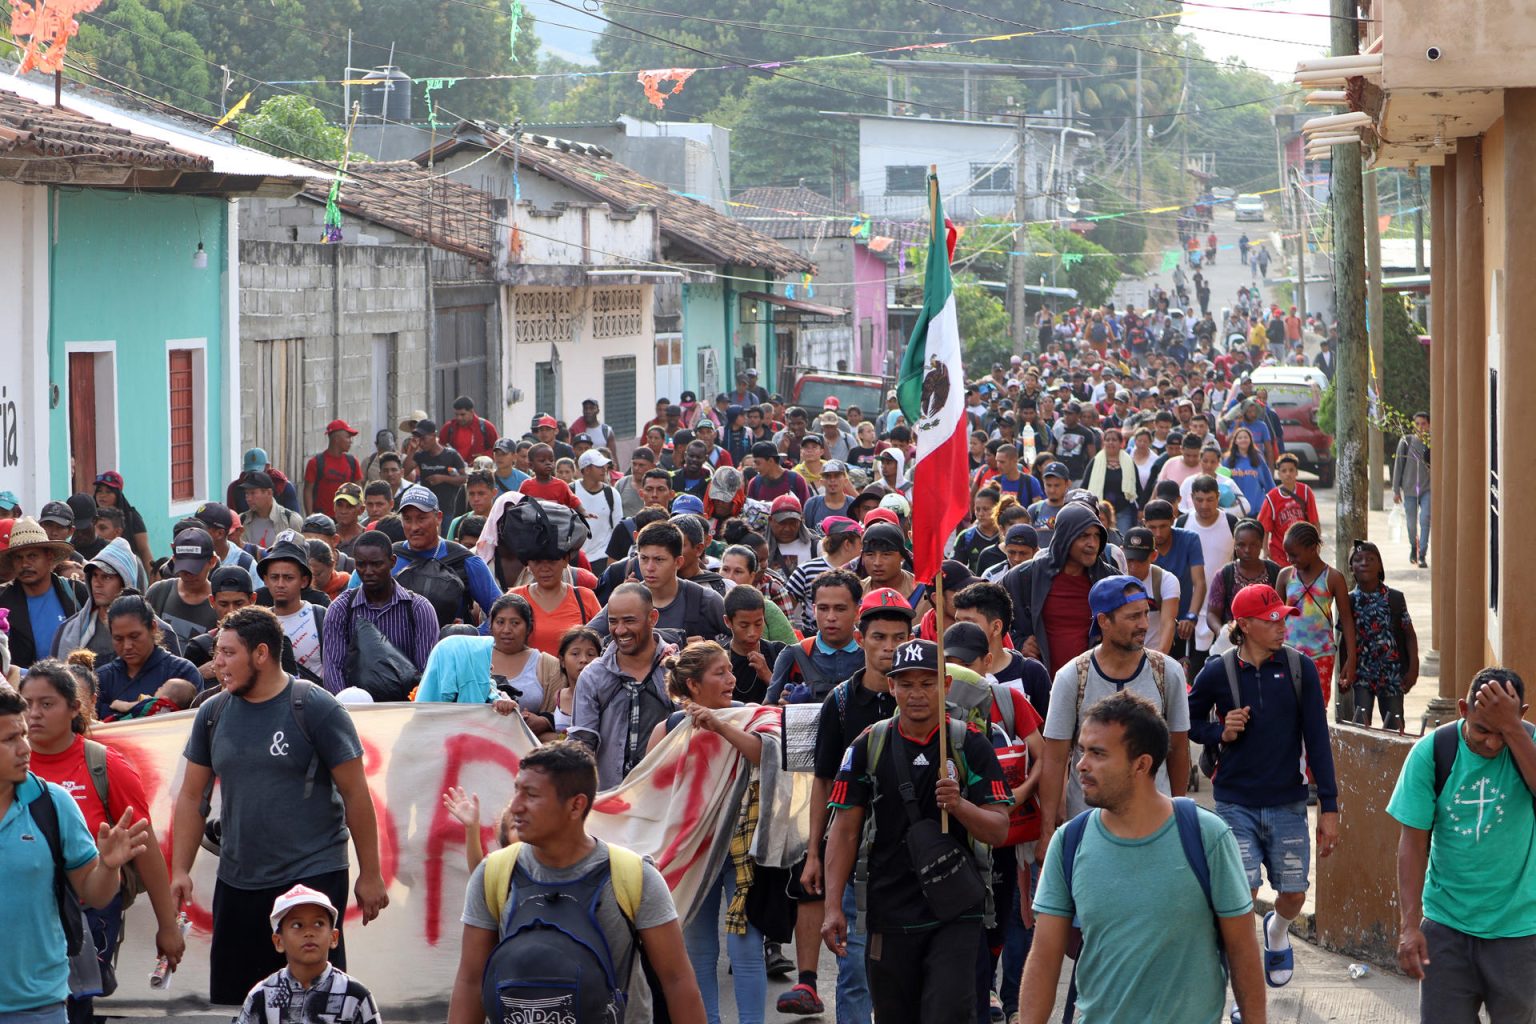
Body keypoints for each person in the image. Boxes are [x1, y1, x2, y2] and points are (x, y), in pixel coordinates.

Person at [170, 606, 388, 1005]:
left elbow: (357, 794)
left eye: (228, 653)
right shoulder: (211, 713)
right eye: (216, 653)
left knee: (313, 1003)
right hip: (238, 879)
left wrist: (370, 874)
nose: (217, 664)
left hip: (312, 876)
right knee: (238, 1003)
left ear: (261, 654)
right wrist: (179, 869)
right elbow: (190, 797)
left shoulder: (315, 707)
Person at [1018, 691, 1264, 1024]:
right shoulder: (1070, 842)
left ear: (1142, 764)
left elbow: (1243, 951)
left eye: (1098, 754)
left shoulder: (1207, 836)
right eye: (1082, 751)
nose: (1081, 765)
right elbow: (1045, 957)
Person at [821, 637, 1011, 1024]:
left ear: (945, 686)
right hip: (888, 912)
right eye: (906, 684)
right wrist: (831, 908)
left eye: (927, 683)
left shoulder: (969, 744)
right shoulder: (867, 745)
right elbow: (843, 831)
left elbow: (998, 830)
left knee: (949, 1014)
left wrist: (959, 805)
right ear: (891, 686)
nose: (917, 694)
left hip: (955, 911)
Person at [448, 742, 706, 1024]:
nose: (516, 806)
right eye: (516, 790)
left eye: (531, 795)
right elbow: (471, 980)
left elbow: (677, 980)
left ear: (576, 805)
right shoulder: (493, 873)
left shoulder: (633, 876)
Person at [1187, 581, 1339, 1000]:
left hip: (1288, 802)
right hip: (1234, 804)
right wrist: (1221, 730)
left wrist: (1329, 806)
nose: (1281, 627)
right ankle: (1244, 996)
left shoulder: (1298, 668)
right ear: (1245, 625)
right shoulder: (1218, 672)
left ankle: (1278, 929)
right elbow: (1187, 720)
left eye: (1283, 618)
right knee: (1242, 897)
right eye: (1272, 620)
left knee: (1292, 894)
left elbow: (1317, 739)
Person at [20, 661, 187, 1022]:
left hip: (90, 914)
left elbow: (146, 851)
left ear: (74, 707)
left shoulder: (104, 765)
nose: (34, 714)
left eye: (46, 704)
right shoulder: (11, 764)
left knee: (76, 1009)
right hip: (22, 921)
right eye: (27, 703)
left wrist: (168, 926)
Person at [1389, 667, 1536, 1023]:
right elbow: (1412, 845)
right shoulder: (1433, 753)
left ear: (1523, 715)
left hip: (1519, 934)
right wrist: (1409, 926)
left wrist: (1512, 729)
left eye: (1502, 732)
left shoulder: (1526, 746)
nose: (1491, 743)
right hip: (1446, 929)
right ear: (1463, 710)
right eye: (1482, 729)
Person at [0, 686, 151, 1024]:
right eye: (10, 739)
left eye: (23, 734)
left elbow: (94, 893)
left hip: (39, 1005)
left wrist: (109, 866)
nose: (25, 748)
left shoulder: (51, 803)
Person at [643, 641, 773, 1024]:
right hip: (692, 852)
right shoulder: (668, 728)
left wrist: (718, 724)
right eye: (720, 673)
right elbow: (650, 791)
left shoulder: (752, 716)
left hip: (742, 849)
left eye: (730, 671)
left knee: (746, 949)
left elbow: (765, 755)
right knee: (697, 950)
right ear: (693, 686)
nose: (732, 679)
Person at [1037, 575, 1190, 856]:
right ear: (1104, 621)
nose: (1144, 624)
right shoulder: (1071, 677)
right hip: (1088, 824)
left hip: (1156, 823)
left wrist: (1179, 815)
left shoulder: (1167, 672)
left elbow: (1179, 749)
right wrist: (1048, 832)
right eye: (1133, 617)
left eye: (1146, 614)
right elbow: (1055, 757)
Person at [569, 583, 674, 789]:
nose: (620, 630)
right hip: (609, 799)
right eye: (613, 621)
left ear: (653, 618)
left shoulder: (674, 670)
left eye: (629, 621)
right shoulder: (593, 675)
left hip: (663, 797)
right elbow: (582, 741)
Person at [355, 486, 502, 629]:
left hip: (445, 652)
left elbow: (503, 612)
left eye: (421, 518)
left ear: (438, 518)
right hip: (392, 651)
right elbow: (355, 610)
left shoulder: (464, 560)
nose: (414, 527)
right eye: (407, 519)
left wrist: (469, 636)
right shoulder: (386, 559)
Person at [236, 885, 380, 1024]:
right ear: (279, 941)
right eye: (297, 925)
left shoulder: (354, 996)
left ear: (334, 937)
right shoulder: (262, 996)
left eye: (318, 924)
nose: (309, 932)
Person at [1003, 502, 1117, 675]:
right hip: (1042, 688)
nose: (1092, 543)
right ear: (1065, 537)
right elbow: (992, 622)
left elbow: (1130, 628)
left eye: (1096, 536)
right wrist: (1019, 643)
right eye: (1084, 536)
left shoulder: (1111, 580)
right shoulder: (1024, 576)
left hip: (1097, 685)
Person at [320, 529, 438, 694]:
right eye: (361, 565)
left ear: (392, 562)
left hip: (406, 709)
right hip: (357, 711)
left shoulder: (419, 608)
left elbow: (427, 673)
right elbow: (333, 670)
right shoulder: (340, 609)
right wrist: (349, 709)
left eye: (376, 564)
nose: (368, 571)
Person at [588, 522, 726, 643]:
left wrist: (708, 648)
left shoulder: (706, 600)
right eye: (644, 558)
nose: (649, 568)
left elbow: (740, 639)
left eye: (659, 560)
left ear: (678, 562)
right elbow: (586, 638)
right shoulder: (625, 599)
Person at [1275, 522, 1355, 711]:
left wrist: (1351, 659)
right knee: (1286, 707)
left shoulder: (1333, 578)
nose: (1290, 559)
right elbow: (1275, 617)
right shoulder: (1285, 576)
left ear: (1312, 549)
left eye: (1294, 555)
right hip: (1287, 652)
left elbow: (1347, 621)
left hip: (1321, 655)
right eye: (1287, 554)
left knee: (1316, 708)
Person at [1345, 541, 1418, 728]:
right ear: (1351, 568)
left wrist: (1413, 668)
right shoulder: (1349, 601)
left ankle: (1395, 758)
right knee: (1361, 726)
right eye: (1358, 559)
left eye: (1370, 559)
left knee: (1394, 727)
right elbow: (1344, 637)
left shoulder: (1394, 598)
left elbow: (1409, 634)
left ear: (1380, 566)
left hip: (1392, 675)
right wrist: (1344, 672)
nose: (1364, 563)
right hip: (1362, 675)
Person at [765, 570, 865, 706]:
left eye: (840, 609)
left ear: (857, 612)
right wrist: (784, 709)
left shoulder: (872, 654)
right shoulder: (794, 654)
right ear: (814, 610)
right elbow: (768, 708)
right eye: (823, 608)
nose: (831, 617)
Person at [93, 596, 200, 720]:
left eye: (134, 636)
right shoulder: (102, 678)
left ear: (153, 627)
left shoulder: (182, 673)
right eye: (118, 639)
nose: (127, 646)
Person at [0, 516, 88, 667]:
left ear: (49, 557)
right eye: (18, 558)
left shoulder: (75, 592)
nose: (25, 564)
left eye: (32, 556)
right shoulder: (3, 603)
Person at [1141, 499, 1206, 670]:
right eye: (1152, 527)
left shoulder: (1190, 540)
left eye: (1163, 526)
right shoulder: (1140, 543)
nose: (1158, 533)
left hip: (1182, 624)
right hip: (1148, 626)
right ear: (1144, 524)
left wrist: (1191, 616)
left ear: (1173, 520)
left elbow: (1199, 582)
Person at [259, 536, 329, 686]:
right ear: (265, 580)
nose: (280, 584)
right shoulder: (259, 623)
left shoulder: (321, 616)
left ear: (303, 581)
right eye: (274, 577)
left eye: (288, 578)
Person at [145, 526, 221, 647]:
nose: (188, 575)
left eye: (195, 568)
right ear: (174, 560)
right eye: (184, 568)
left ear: (212, 561)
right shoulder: (158, 592)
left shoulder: (221, 603)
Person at [512, 554, 599, 656]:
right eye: (537, 562)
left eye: (552, 560)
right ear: (528, 564)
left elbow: (603, 639)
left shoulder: (585, 597)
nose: (545, 569)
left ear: (565, 560)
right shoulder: (515, 598)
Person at [1256, 454, 1318, 566]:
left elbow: (1314, 522)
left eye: (1291, 470)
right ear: (1278, 474)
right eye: (1284, 471)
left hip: (1303, 550)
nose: (1288, 474)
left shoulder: (1305, 492)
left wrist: (1317, 546)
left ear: (1297, 472)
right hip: (1279, 552)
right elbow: (1264, 528)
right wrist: (1265, 551)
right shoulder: (1272, 497)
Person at [92, 471, 156, 578]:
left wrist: (152, 580)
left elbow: (144, 552)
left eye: (108, 492)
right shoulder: (90, 517)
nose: (102, 495)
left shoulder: (132, 518)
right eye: (99, 491)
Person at [405, 419, 469, 520]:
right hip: (428, 510)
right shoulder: (420, 455)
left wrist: (443, 478)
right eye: (419, 439)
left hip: (448, 510)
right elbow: (404, 472)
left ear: (434, 436)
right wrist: (412, 450)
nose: (421, 443)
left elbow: (465, 478)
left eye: (424, 438)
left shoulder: (451, 455)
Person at [573, 450, 623, 574]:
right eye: (599, 466)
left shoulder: (612, 494)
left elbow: (617, 528)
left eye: (605, 466)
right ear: (587, 469)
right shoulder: (570, 491)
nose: (604, 469)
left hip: (603, 558)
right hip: (575, 559)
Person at [1082, 428, 1139, 535]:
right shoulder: (1095, 461)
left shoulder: (1129, 462)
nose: (1110, 442)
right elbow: (1084, 485)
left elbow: (1138, 487)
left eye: (1114, 440)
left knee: (1123, 540)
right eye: (1107, 440)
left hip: (1123, 511)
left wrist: (1142, 508)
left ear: (1121, 443)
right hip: (1099, 511)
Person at [303, 420, 364, 518]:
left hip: (347, 518)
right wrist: (310, 516)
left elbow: (358, 489)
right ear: (336, 439)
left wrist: (358, 512)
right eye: (348, 437)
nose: (351, 441)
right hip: (322, 520)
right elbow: (308, 490)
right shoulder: (315, 462)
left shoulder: (352, 462)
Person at [1393, 411, 1431, 568]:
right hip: (1409, 490)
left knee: (1425, 519)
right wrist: (1396, 490)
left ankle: (1422, 554)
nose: (1420, 427)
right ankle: (1413, 547)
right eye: (1417, 424)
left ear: (1429, 425)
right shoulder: (1406, 441)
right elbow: (1398, 466)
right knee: (1410, 523)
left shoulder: (1432, 442)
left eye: (1423, 424)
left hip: (1427, 489)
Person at [228, 450, 304, 518]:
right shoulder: (235, 488)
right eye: (247, 493)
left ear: (267, 467)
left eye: (258, 471)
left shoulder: (283, 486)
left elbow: (294, 519)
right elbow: (232, 521)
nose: (254, 476)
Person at [240, 472, 306, 550]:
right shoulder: (241, 521)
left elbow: (301, 554)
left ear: (269, 493)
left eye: (253, 493)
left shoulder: (291, 520)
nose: (248, 498)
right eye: (246, 493)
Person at [1224, 427, 1274, 517]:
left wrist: (1274, 499)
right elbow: (1223, 484)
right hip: (1236, 509)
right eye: (1240, 438)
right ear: (1235, 441)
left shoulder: (1258, 458)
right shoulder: (1228, 460)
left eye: (1246, 437)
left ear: (1251, 440)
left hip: (1256, 508)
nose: (1243, 440)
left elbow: (1268, 480)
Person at [745, 442, 810, 505]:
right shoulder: (755, 483)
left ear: (771, 461)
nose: (754, 467)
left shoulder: (796, 480)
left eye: (757, 463)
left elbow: (805, 511)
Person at [440, 396, 500, 462]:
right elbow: (440, 448)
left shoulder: (486, 427)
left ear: (472, 412)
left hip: (478, 470)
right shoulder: (448, 427)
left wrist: (483, 457)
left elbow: (498, 449)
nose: (459, 418)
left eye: (462, 414)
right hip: (455, 470)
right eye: (456, 414)